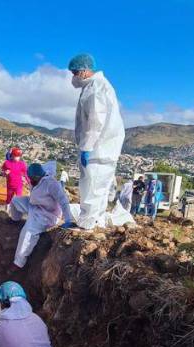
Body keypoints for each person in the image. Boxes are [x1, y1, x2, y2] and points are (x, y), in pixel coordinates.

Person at [68, 53, 125, 229]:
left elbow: (95, 120)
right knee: (99, 186)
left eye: (75, 72)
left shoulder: (96, 87)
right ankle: (95, 221)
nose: (73, 77)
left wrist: (86, 147)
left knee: (91, 186)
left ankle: (87, 224)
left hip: (98, 147)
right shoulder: (96, 86)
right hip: (103, 147)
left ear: (85, 71)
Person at [7, 162, 74, 268]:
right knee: (15, 201)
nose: (30, 181)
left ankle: (19, 263)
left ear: (38, 177)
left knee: (28, 232)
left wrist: (68, 219)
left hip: (47, 214)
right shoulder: (38, 173)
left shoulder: (51, 184)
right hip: (34, 205)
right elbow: (49, 164)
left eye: (31, 179)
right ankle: (15, 220)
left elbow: (63, 201)